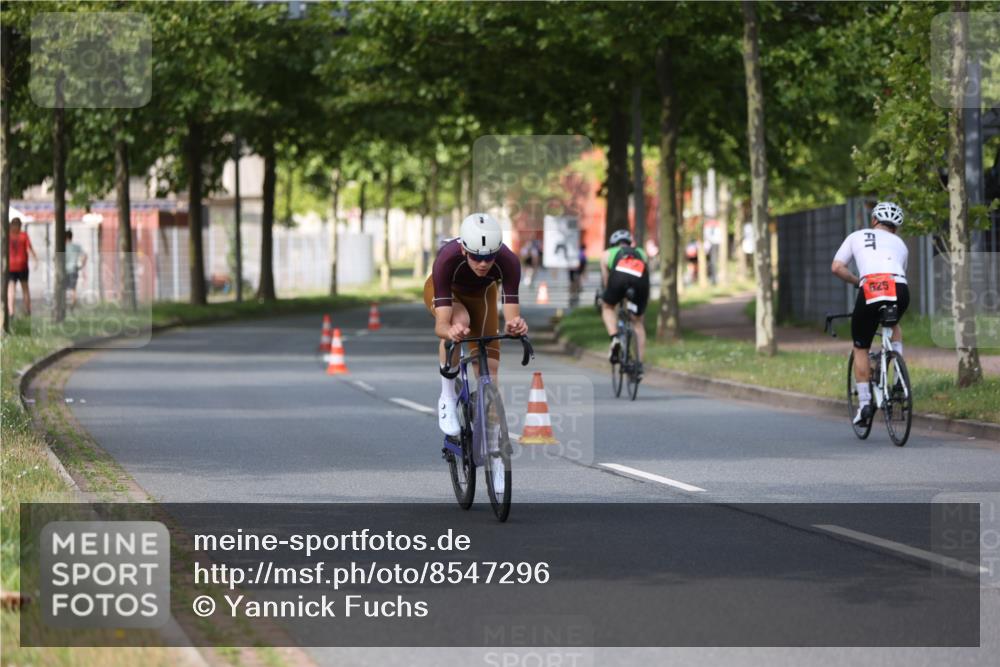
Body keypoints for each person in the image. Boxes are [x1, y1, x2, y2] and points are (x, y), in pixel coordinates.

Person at [425, 213, 528, 436]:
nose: (483, 264)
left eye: (489, 257)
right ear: (464, 250)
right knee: (460, 321)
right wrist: (450, 331)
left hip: (482, 295)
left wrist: (515, 327)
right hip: (447, 293)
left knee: (489, 367)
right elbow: (441, 325)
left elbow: (512, 318)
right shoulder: (447, 258)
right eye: (475, 257)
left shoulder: (508, 261)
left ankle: (492, 441)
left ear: (497, 251)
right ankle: (447, 397)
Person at [831, 201, 909, 426]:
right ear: (895, 227)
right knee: (893, 324)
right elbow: (901, 273)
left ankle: (865, 404)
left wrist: (857, 282)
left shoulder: (857, 235)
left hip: (872, 286)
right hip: (900, 287)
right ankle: (898, 377)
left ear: (874, 220)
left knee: (861, 346)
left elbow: (837, 267)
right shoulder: (901, 244)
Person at [600, 229, 650, 376]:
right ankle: (639, 364)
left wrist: (609, 297)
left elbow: (606, 281)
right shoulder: (641, 253)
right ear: (629, 243)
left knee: (607, 306)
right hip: (640, 281)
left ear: (612, 244)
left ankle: (615, 338)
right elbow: (645, 272)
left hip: (618, 278)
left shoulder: (607, 254)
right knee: (638, 322)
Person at [7, 218, 38, 317]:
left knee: (11, 289)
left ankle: (11, 312)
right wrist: (35, 259)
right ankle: (28, 310)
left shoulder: (7, 236)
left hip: (11, 266)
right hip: (22, 266)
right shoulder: (24, 235)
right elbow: (29, 248)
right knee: (25, 288)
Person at [64, 229, 88, 310]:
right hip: (74, 270)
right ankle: (72, 306)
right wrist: (82, 265)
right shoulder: (77, 246)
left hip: (64, 271)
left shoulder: (62, 247)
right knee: (73, 289)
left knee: (63, 288)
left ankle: (63, 305)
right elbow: (85, 255)